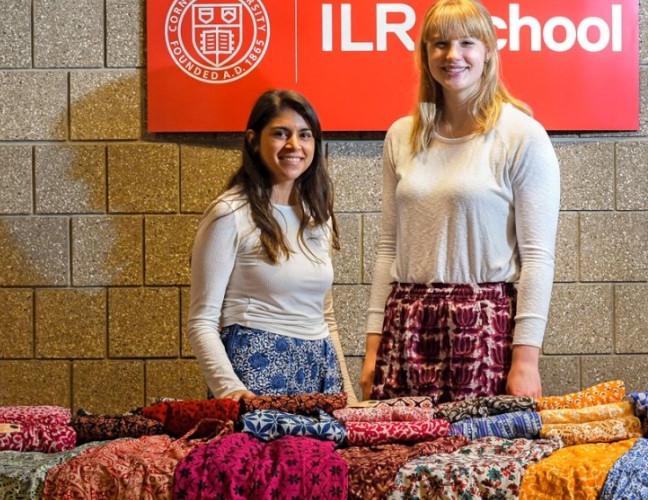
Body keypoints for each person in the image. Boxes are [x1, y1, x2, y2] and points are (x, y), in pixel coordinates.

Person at [360, 0, 560, 403]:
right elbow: (388, 249)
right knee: (402, 461)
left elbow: (538, 258)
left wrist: (526, 361)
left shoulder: (522, 135)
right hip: (406, 324)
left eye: (467, 42)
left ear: (487, 51)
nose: (453, 55)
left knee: (478, 458)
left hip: (484, 327)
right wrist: (372, 347)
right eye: (439, 44)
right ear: (425, 55)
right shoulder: (401, 136)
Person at [187, 89, 353, 402]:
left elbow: (325, 317)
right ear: (253, 139)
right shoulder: (229, 213)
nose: (295, 145)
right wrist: (234, 393)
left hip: (320, 371)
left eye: (305, 135)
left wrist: (348, 393)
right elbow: (201, 322)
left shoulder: (318, 215)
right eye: (281, 133)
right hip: (255, 374)